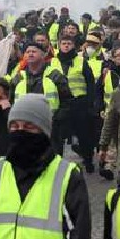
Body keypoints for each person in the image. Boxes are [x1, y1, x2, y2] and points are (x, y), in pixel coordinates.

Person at [0, 94, 91, 239]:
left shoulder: (67, 176)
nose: (20, 132)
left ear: (45, 131)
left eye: (29, 127)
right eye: (14, 126)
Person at [9, 42, 72, 154]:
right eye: (28, 52)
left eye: (34, 51)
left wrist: (57, 120)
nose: (30, 54)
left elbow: (67, 102)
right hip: (24, 129)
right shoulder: (18, 78)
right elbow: (11, 102)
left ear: (43, 55)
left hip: (50, 129)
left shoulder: (55, 76)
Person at [50, 35, 97, 172]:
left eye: (69, 43)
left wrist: (89, 103)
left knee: (83, 135)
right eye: (63, 43)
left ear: (74, 46)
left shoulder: (81, 61)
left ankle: (88, 160)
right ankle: (56, 165)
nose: (66, 46)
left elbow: (90, 82)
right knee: (58, 136)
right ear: (59, 45)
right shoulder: (53, 62)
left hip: (79, 103)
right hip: (60, 104)